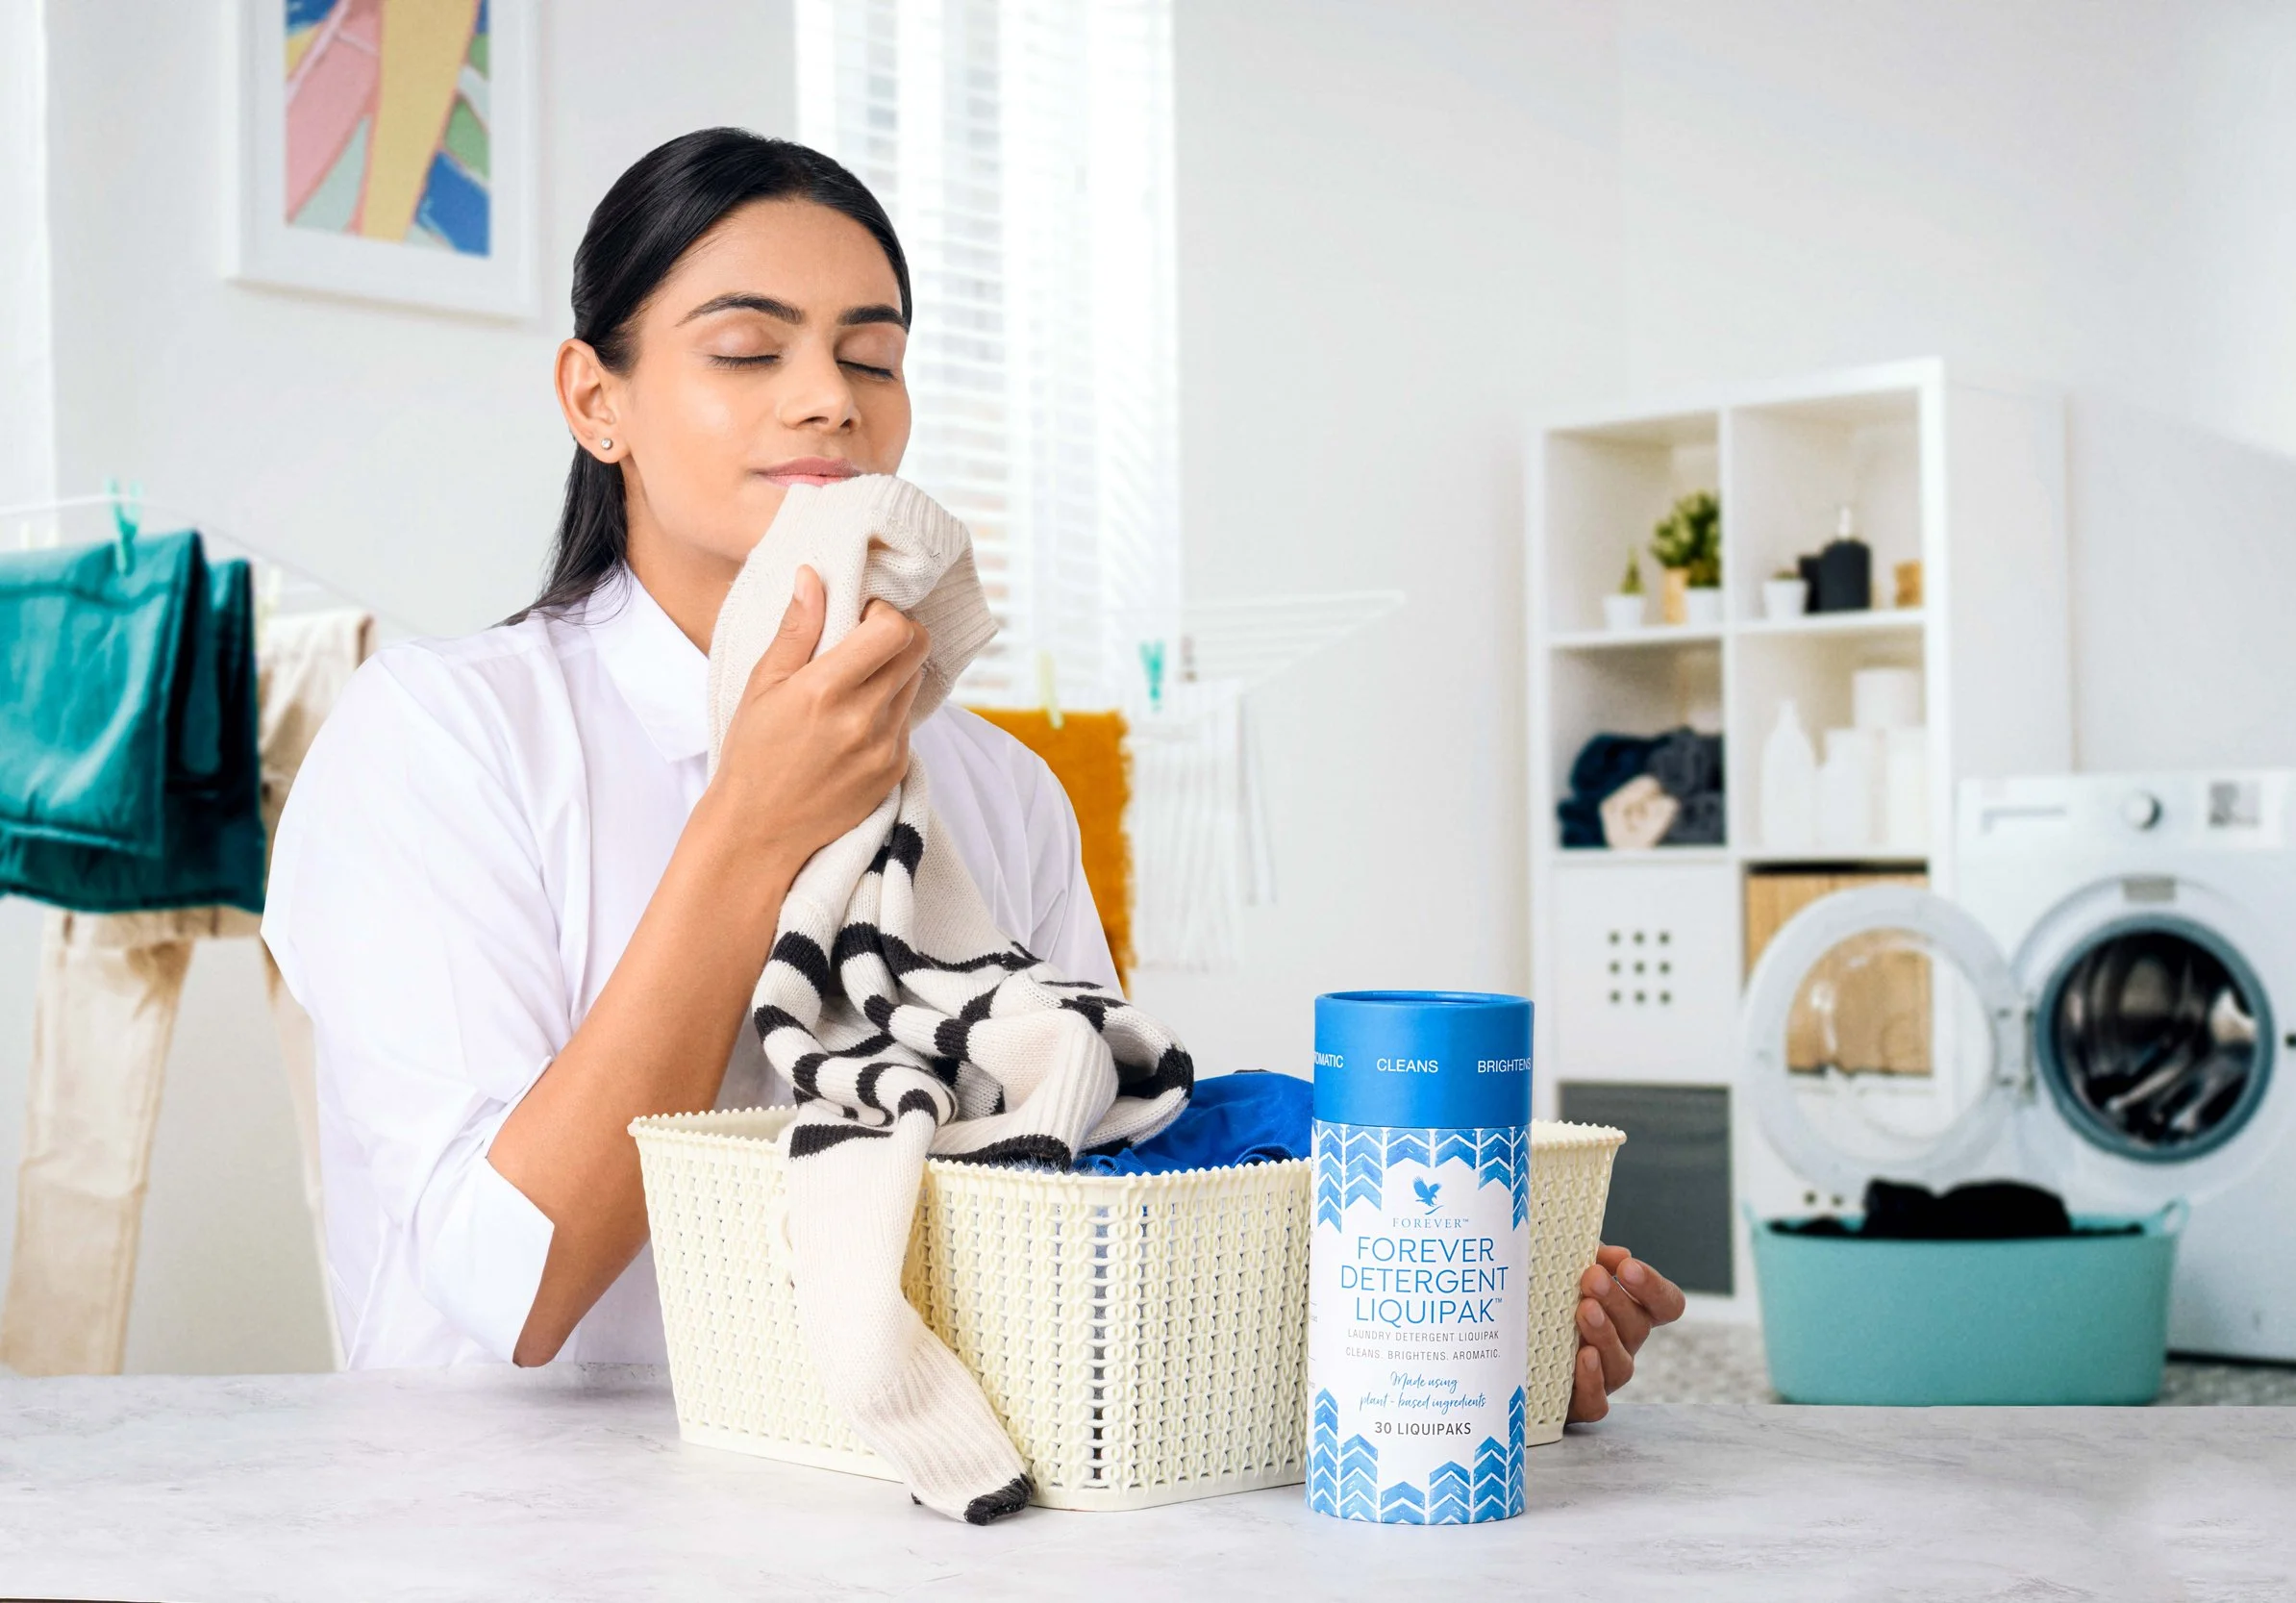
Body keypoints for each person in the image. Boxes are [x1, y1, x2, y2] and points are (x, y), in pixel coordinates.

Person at [263, 128, 1683, 1416]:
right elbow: (513, 1288)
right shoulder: (440, 737)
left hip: (919, 1490)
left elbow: (1089, 1210)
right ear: (597, 399)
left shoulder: (994, 788)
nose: (829, 400)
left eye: (871, 357)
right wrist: (753, 825)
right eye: (750, 351)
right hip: (509, 1526)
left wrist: (1446, 1334)